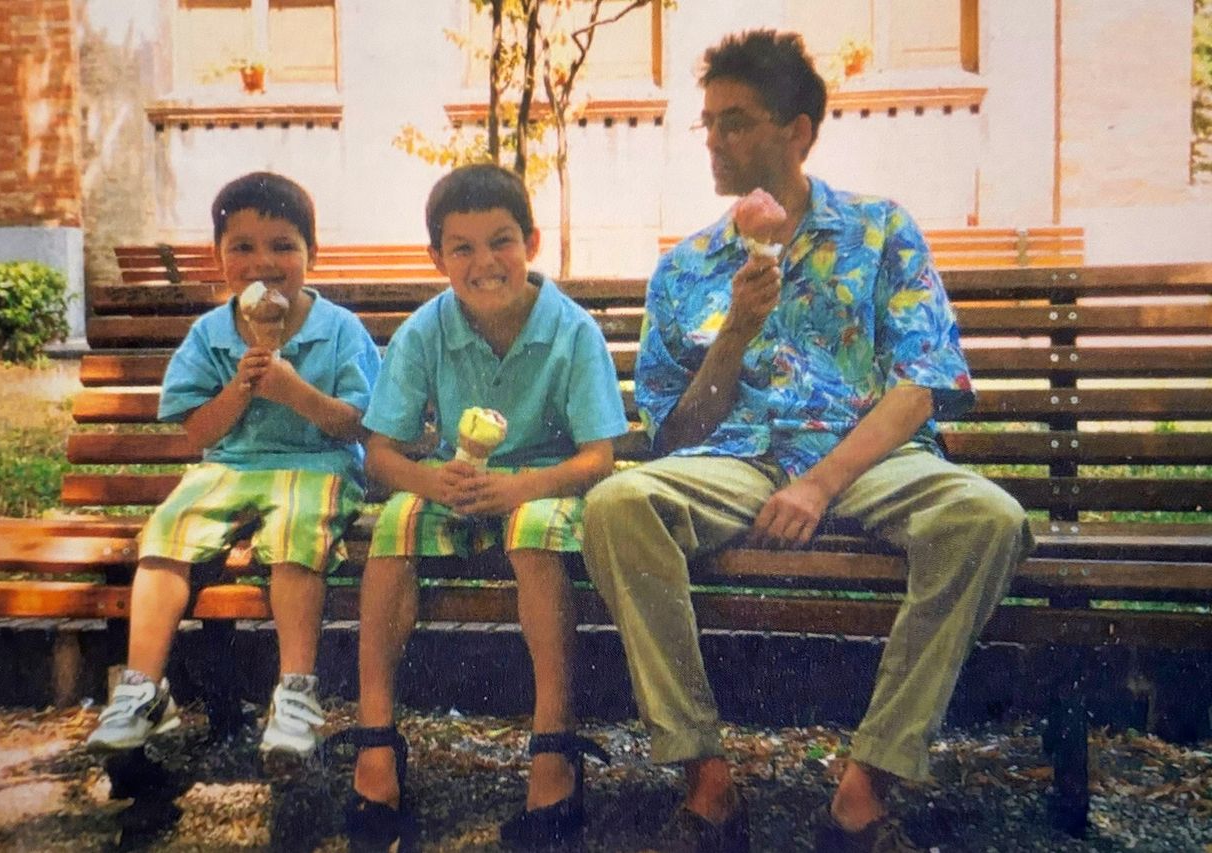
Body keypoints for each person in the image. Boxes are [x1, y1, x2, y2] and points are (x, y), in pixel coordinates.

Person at [581, 30, 1035, 853]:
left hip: (865, 454)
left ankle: (868, 780)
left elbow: (921, 382)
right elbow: (674, 432)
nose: (716, 142)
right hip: (737, 459)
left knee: (989, 519)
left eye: (738, 122)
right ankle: (704, 777)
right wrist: (736, 331)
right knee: (617, 504)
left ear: (798, 131)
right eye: (709, 123)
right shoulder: (688, 268)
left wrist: (822, 483)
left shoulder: (878, 230)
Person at [344, 163, 629, 849]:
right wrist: (429, 479)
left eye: (501, 241)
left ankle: (552, 745)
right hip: (459, 484)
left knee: (531, 534)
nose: (484, 262)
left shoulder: (571, 330)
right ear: (436, 257)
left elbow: (598, 457)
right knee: (395, 523)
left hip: (542, 486)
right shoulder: (424, 331)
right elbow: (380, 454)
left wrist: (521, 487)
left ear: (531, 240)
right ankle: (375, 740)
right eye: (461, 247)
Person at [86, 171, 382, 776]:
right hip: (229, 467)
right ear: (219, 258)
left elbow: (360, 424)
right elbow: (198, 432)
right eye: (242, 247)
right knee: (166, 533)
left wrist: (294, 391)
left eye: (282, 246)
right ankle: (141, 688)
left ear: (311, 255)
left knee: (300, 536)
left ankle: (296, 689)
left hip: (315, 466)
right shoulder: (210, 334)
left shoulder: (340, 329)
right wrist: (240, 388)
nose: (262, 263)